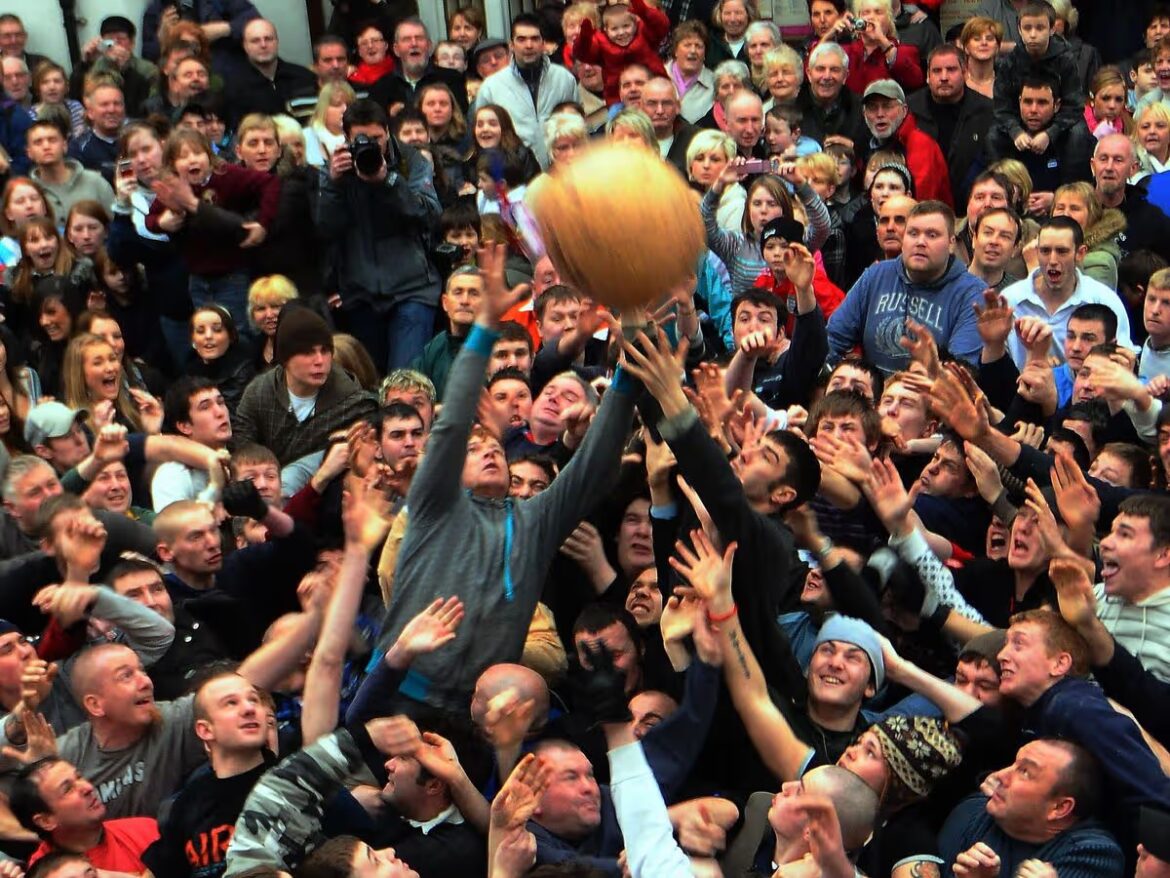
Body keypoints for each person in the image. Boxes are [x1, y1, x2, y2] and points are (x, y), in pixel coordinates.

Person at [314, 98, 441, 373]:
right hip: (361, 295)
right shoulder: (336, 168)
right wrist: (334, 184)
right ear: (347, 139)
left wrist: (388, 182)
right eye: (362, 140)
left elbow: (430, 215)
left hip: (412, 289)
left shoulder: (410, 161)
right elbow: (325, 228)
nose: (371, 145)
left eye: (377, 138)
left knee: (404, 378)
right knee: (369, 380)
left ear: (387, 131)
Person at [828, 200, 987, 373]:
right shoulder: (876, 276)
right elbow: (833, 339)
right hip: (873, 387)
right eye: (913, 233)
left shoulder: (972, 293)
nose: (920, 242)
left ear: (951, 243)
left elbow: (960, 371)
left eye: (932, 235)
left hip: (932, 387)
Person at [939, 739, 1125, 878]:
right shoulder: (973, 811)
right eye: (1013, 764)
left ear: (1059, 807)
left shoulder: (1092, 855)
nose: (1000, 776)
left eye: (1025, 772)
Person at [233, 307, 377, 467]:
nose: (319, 361)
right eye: (308, 353)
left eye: (325, 351)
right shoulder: (258, 393)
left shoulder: (355, 405)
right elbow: (242, 458)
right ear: (285, 358)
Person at [1001, 216, 1134, 368]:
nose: (1052, 260)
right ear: (1036, 252)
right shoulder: (1011, 299)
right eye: (1045, 251)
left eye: (1062, 251)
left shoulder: (1104, 300)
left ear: (1080, 253)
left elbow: (1123, 362)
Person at [11, 757, 160, 872]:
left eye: (79, 777)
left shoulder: (146, 829)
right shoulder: (46, 873)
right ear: (46, 821)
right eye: (68, 789)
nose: (88, 787)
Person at [473, 14, 578, 170]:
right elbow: (482, 141)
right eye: (521, 39)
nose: (529, 45)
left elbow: (578, 127)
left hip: (562, 172)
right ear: (511, 45)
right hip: (515, 175)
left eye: (535, 39)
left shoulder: (564, 79)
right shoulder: (491, 87)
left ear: (543, 43)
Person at [908, 44, 995, 208]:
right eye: (936, 71)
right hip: (921, 206)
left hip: (973, 205)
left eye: (951, 70)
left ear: (965, 73)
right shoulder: (909, 110)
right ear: (927, 76)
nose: (944, 77)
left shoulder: (987, 112)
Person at [861, 79, 954, 207]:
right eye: (872, 107)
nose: (880, 114)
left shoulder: (920, 144)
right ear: (864, 114)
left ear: (904, 110)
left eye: (887, 106)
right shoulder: (864, 145)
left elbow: (920, 202)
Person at [572, 0, 670, 107]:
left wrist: (645, 12)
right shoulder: (601, 43)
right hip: (618, 101)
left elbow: (661, 26)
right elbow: (584, 54)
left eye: (626, 26)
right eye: (614, 29)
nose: (621, 33)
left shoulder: (644, 34)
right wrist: (584, 39)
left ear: (635, 24)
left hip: (656, 93)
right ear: (605, 30)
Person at [368, 18, 468, 117]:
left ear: (429, 46)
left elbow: (460, 120)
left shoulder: (451, 79)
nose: (414, 44)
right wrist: (389, 116)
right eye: (406, 39)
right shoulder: (381, 88)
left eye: (419, 38)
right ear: (396, 50)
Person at [226, 19, 316, 127]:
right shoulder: (232, 86)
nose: (263, 45)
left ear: (277, 42)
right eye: (255, 41)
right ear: (245, 46)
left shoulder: (304, 77)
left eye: (268, 39)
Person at [27, 119, 114, 219]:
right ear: (29, 152)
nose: (46, 146)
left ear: (64, 146)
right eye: (38, 142)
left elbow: (115, 223)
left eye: (52, 140)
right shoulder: (28, 193)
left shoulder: (96, 183)